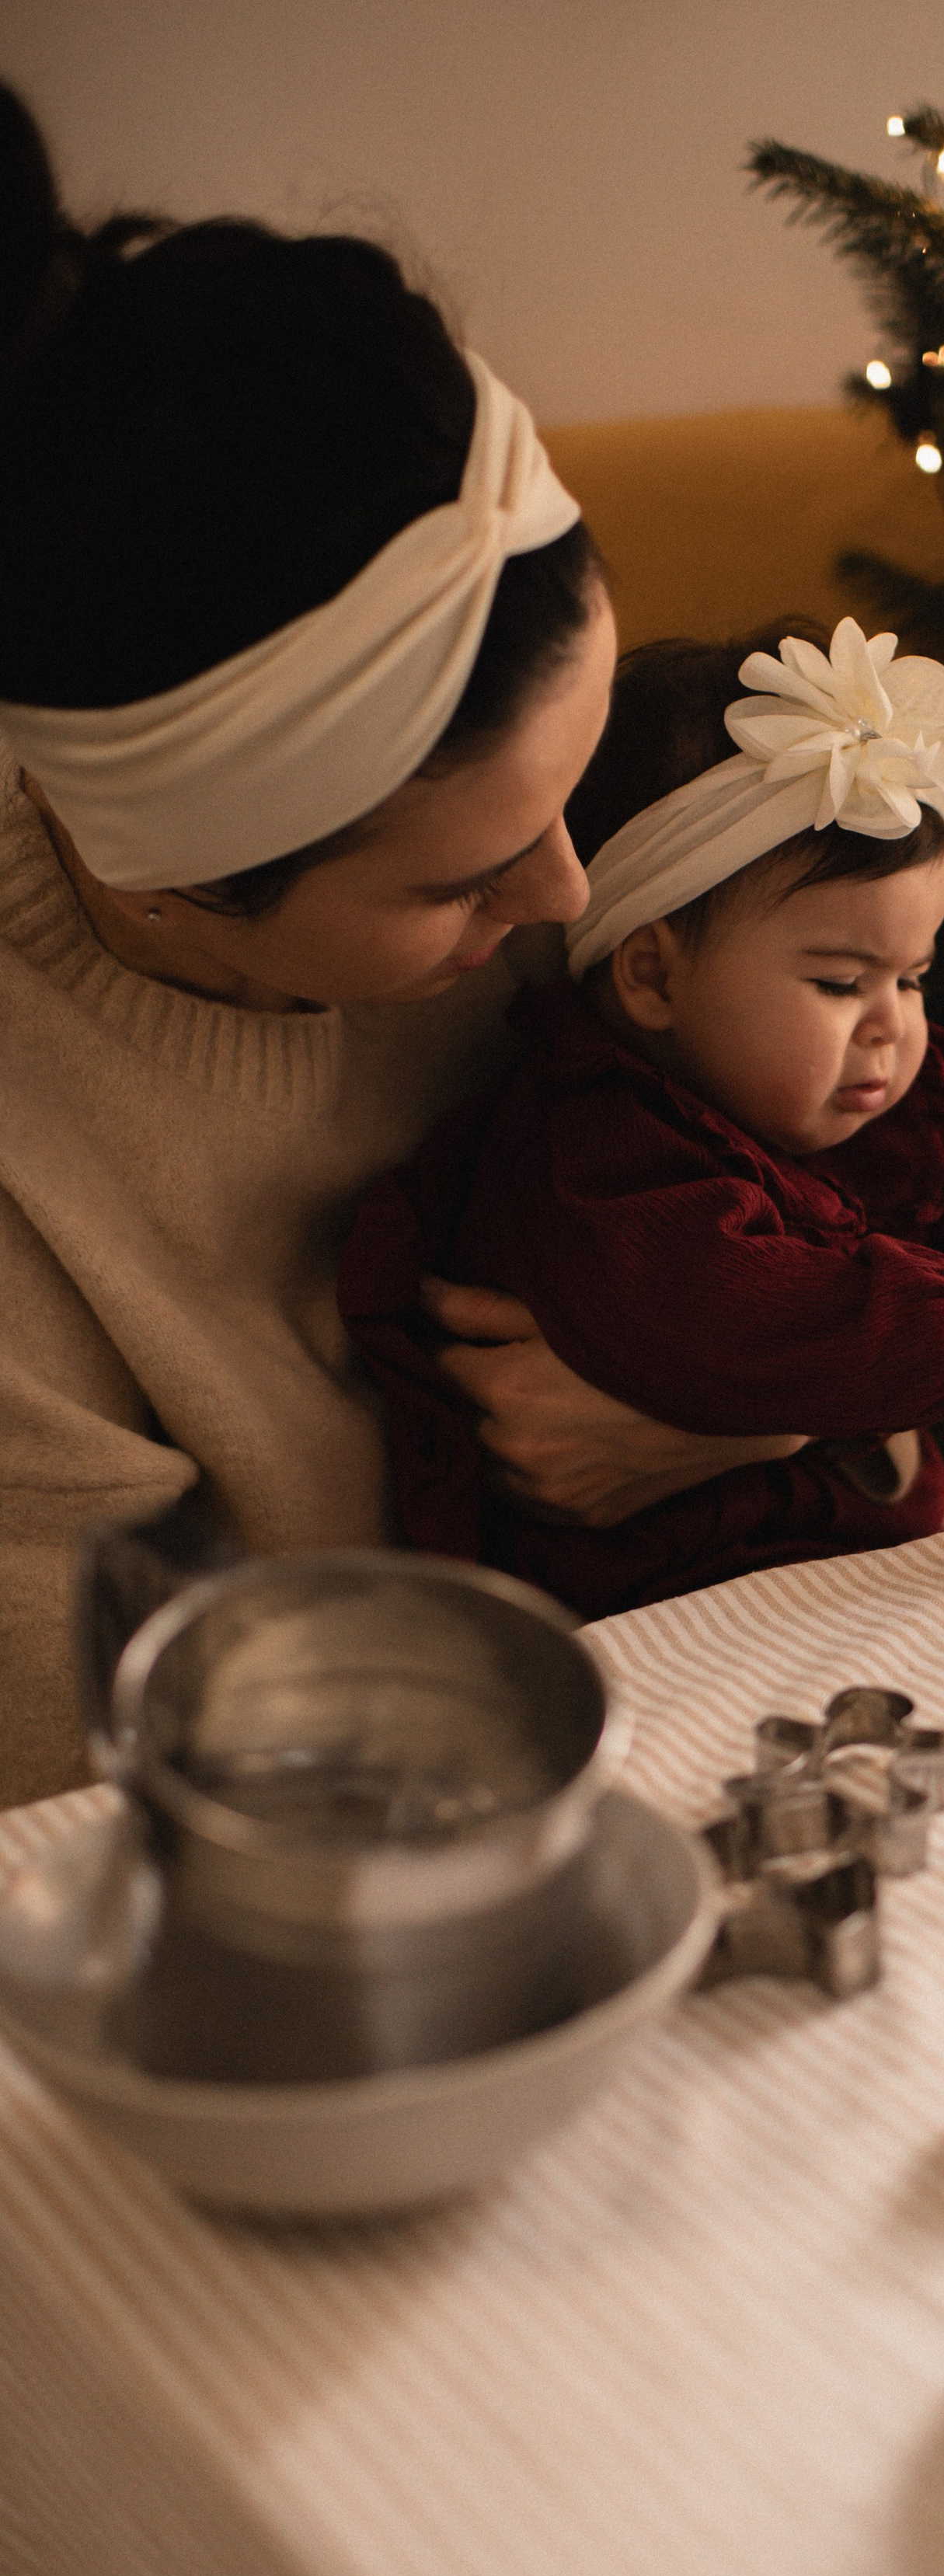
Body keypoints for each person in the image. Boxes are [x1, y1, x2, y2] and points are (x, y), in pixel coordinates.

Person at [0, 89, 791, 1807]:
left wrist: (749, 1410)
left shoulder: (568, 889)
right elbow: (103, 1812)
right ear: (164, 886)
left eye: (573, 790)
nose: (574, 902)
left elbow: (896, 1203)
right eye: (465, 882)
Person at [339, 620, 944, 1616]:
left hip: (864, 1554)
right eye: (838, 981)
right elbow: (727, 1321)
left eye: (914, 975)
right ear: (653, 974)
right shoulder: (597, 1145)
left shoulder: (916, 1089)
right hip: (656, 1604)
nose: (891, 1026)